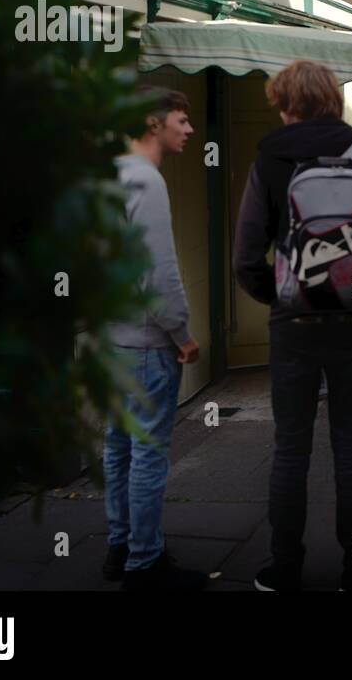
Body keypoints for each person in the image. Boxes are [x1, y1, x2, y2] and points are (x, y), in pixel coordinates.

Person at [233, 58, 352, 592]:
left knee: (290, 447)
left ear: (287, 105)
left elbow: (246, 258)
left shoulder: (269, 159)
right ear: (334, 101)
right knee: (351, 447)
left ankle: (284, 567)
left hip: (293, 326)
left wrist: (283, 297)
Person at [103, 86, 208, 592]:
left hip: (112, 339)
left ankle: (120, 546)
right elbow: (159, 274)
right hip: (146, 343)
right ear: (153, 123)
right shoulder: (147, 181)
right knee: (146, 454)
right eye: (181, 120)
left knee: (118, 447)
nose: (189, 129)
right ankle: (144, 564)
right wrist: (183, 334)